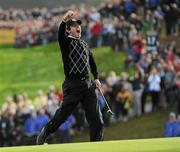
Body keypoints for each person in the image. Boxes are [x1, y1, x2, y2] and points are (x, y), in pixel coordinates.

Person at [36, 10, 103, 144]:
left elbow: (92, 61)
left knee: (97, 119)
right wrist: (64, 20)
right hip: (73, 86)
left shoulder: (84, 44)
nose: (78, 27)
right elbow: (60, 34)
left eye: (79, 25)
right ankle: (45, 132)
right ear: (68, 30)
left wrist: (96, 77)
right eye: (74, 25)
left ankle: (96, 146)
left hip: (88, 85)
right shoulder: (65, 43)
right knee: (62, 116)